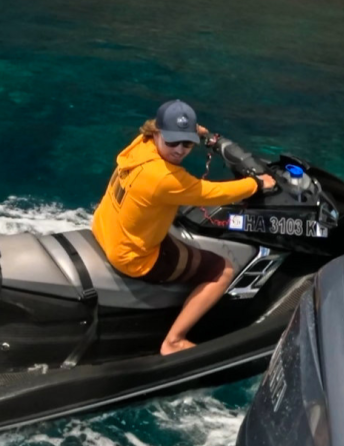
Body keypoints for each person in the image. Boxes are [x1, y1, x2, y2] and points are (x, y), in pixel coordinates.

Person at [92, 100, 276, 355]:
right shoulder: (164, 178)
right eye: (172, 142)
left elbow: (172, 138)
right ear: (156, 134)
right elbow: (210, 193)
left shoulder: (140, 146)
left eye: (187, 143)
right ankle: (174, 341)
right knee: (221, 268)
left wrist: (197, 132)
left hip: (105, 227)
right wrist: (256, 184)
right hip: (131, 255)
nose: (179, 150)